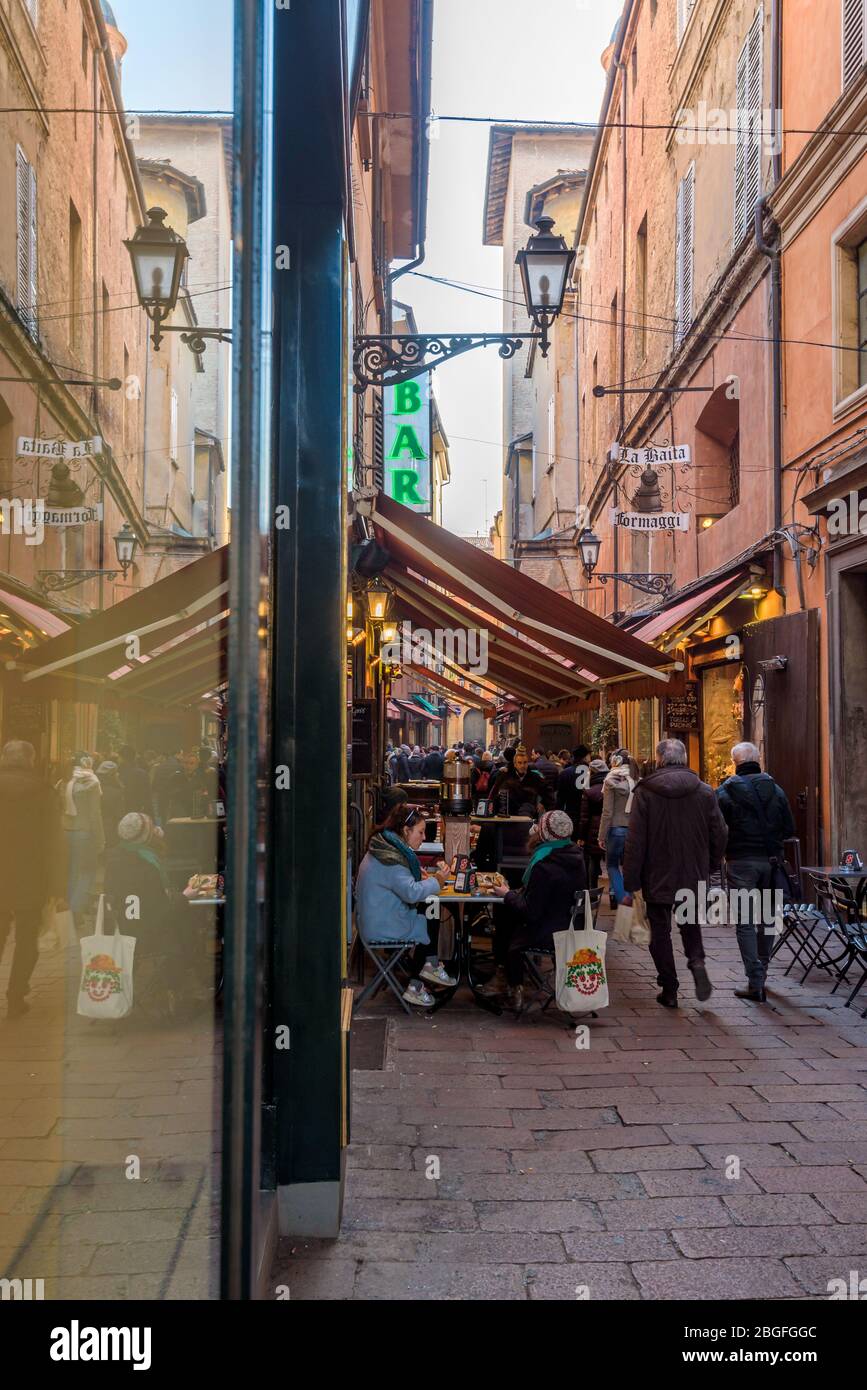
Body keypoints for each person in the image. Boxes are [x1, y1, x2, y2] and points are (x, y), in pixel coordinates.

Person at [622, 738, 728, 1008]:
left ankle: (669, 987)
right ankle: (697, 961)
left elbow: (635, 841)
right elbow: (720, 831)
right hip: (692, 873)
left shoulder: (646, 792)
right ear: (684, 758)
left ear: (659, 759)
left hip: (656, 873)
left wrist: (631, 880)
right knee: (690, 925)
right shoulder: (704, 791)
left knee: (659, 931)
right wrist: (711, 864)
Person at [481, 809, 587, 1014]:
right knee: (508, 913)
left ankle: (511, 986)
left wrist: (507, 894)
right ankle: (505, 977)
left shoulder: (544, 864)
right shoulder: (576, 856)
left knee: (504, 917)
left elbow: (531, 912)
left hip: (548, 932)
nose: (534, 830)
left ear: (545, 834)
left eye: (539, 826)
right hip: (569, 924)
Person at [717, 741, 797, 1002]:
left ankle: (755, 980)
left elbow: (717, 828)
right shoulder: (776, 789)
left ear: (735, 763)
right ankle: (761, 973)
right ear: (758, 759)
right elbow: (789, 828)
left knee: (746, 922)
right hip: (771, 862)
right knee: (767, 919)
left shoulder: (725, 791)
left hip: (740, 861)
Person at [354, 804, 456, 1008]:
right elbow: (411, 893)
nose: (423, 837)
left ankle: (428, 966)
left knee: (430, 907)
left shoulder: (384, 848)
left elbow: (403, 885)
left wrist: (419, 877)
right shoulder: (391, 859)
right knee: (431, 908)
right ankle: (421, 978)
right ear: (405, 830)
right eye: (420, 832)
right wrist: (438, 880)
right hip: (383, 926)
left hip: (374, 919)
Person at [0, 742, 60, 1019]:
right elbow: (53, 841)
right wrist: (56, 886)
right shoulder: (42, 790)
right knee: (26, 940)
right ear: (31, 759)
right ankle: (15, 996)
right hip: (30, 878)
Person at [61, 754, 105, 930]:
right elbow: (95, 814)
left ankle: (72, 912)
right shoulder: (92, 783)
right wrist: (101, 838)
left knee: (72, 871)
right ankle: (76, 909)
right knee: (87, 871)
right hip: (84, 831)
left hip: (66, 830)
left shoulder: (63, 782)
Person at [599, 749, 638, 907]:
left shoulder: (609, 781)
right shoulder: (637, 780)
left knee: (612, 865)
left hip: (615, 829)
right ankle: (628, 895)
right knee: (629, 866)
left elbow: (607, 812)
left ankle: (622, 897)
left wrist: (601, 835)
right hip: (633, 829)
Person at [488, 742, 551, 815]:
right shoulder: (505, 775)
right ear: (515, 764)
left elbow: (548, 790)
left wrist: (543, 803)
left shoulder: (534, 776)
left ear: (528, 763)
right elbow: (494, 792)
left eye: (525, 763)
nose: (522, 765)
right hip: (508, 814)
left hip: (527, 816)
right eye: (520, 763)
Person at [576, 758, 607, 890]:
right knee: (612, 863)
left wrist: (581, 836)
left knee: (593, 861)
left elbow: (584, 817)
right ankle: (614, 895)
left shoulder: (589, 791)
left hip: (593, 830)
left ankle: (592, 891)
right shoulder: (612, 787)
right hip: (611, 827)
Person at [557, 744, 591, 832]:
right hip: (589, 817)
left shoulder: (564, 773)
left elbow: (560, 799)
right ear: (586, 757)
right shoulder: (592, 772)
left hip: (570, 815)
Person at [96, 760, 125, 850]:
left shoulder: (92, 789)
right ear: (112, 776)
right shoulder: (117, 792)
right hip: (109, 830)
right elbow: (119, 815)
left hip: (92, 830)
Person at [118, 744, 153, 817]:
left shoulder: (118, 774)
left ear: (122, 758)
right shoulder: (142, 773)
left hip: (123, 811)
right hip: (139, 811)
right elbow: (148, 797)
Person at [151, 748, 183, 826]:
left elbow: (154, 783)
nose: (182, 757)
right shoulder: (179, 766)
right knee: (174, 817)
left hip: (162, 794)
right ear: (177, 754)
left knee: (163, 816)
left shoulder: (160, 766)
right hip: (174, 794)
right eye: (181, 754)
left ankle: (164, 832)